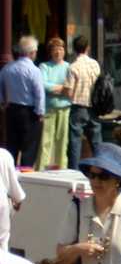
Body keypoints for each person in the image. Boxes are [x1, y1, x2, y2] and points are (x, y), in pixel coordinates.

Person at [2, 37, 44, 167]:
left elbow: (0, 87)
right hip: (29, 112)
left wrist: (3, 102)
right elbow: (39, 94)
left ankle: (10, 176)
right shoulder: (34, 70)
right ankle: (26, 177)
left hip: (11, 109)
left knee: (12, 146)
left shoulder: (7, 69)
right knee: (29, 149)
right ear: (32, 52)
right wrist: (40, 112)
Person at [64, 36, 103, 172]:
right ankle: (101, 168)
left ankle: (74, 170)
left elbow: (69, 91)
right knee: (96, 142)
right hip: (94, 106)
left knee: (75, 141)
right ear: (88, 48)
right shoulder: (95, 64)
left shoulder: (72, 67)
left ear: (74, 49)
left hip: (78, 106)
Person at [37, 38, 70, 170]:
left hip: (64, 107)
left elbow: (71, 87)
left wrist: (55, 89)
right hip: (49, 108)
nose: (58, 52)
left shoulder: (68, 67)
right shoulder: (44, 66)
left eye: (61, 49)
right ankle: (41, 169)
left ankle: (61, 169)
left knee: (62, 141)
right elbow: (43, 85)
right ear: (50, 52)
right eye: (55, 49)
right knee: (46, 140)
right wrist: (62, 89)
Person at [0, 149, 20, 254]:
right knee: (2, 241)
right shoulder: (4, 154)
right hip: (2, 201)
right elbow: (17, 194)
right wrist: (18, 200)